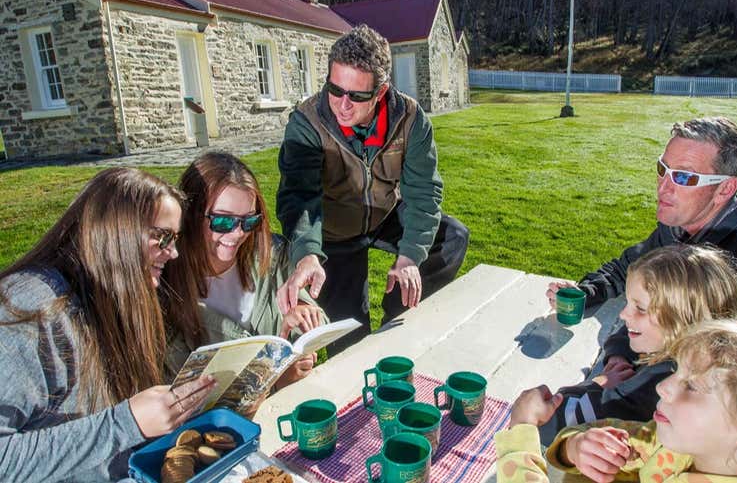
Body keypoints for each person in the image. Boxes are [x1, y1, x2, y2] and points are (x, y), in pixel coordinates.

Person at [0, 168, 216, 482]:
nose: (173, 252)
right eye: (162, 236)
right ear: (116, 232)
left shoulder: (113, 293)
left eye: (176, 238)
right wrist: (125, 423)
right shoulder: (29, 312)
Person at [276, 24, 469, 352]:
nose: (342, 105)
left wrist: (410, 257)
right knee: (350, 342)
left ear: (380, 93)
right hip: (334, 234)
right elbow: (299, 197)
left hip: (384, 214)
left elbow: (423, 191)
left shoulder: (410, 118)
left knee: (451, 237)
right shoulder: (306, 122)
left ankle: (397, 311)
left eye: (357, 95)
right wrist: (307, 254)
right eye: (334, 90)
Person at [546, 117, 737, 373]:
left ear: (725, 189)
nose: (663, 187)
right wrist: (588, 293)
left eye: (683, 177)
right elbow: (625, 268)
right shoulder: (677, 228)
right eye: (662, 169)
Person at [496, 313, 737, 483]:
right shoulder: (677, 442)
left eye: (692, 386)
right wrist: (574, 446)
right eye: (676, 371)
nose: (663, 387)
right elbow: (611, 431)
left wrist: (522, 428)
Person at [534, 244, 737, 444]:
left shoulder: (662, 381)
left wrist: (597, 383)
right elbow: (626, 333)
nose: (623, 314)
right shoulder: (688, 350)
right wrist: (618, 355)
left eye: (639, 308)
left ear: (684, 320)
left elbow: (551, 423)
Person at [164, 152, 327, 389]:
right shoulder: (166, 286)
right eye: (223, 221)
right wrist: (272, 379)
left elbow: (319, 323)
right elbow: (181, 390)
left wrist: (304, 314)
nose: (238, 233)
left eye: (249, 221)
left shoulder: (272, 253)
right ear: (191, 215)